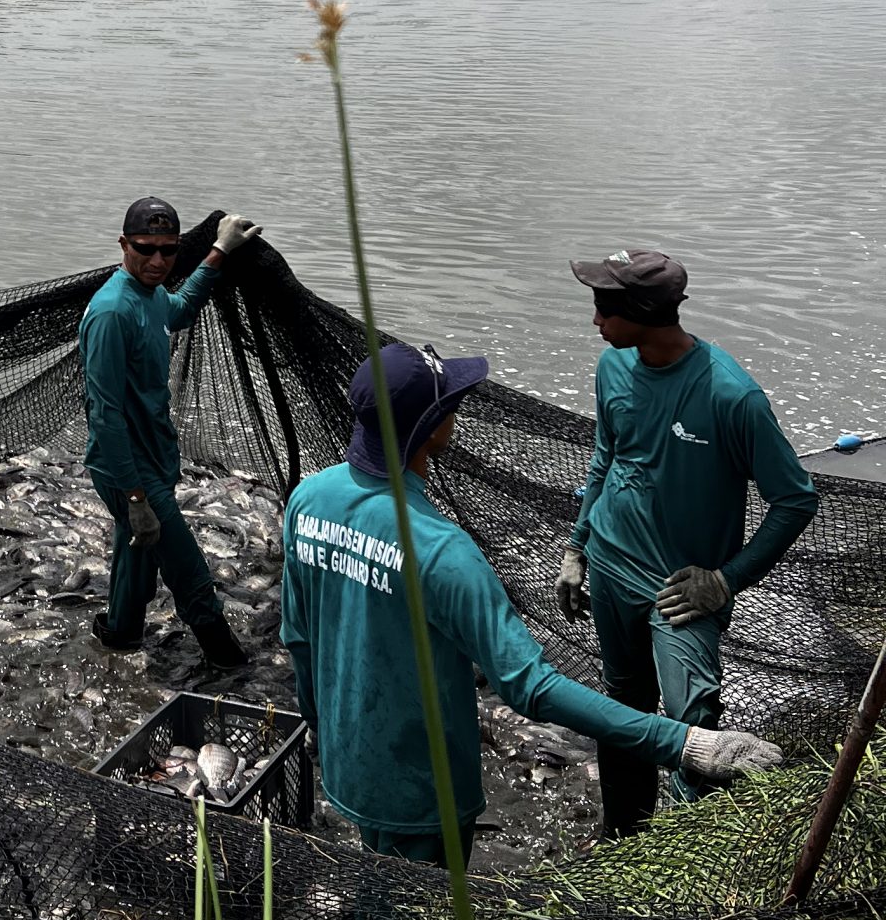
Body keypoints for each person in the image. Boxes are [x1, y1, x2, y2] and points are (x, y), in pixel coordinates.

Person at [280, 339, 783, 863]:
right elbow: (531, 686)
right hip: (423, 786)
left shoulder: (309, 499)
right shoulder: (442, 552)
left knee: (373, 875)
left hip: (347, 761)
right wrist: (687, 743)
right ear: (433, 430)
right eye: (451, 406)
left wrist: (321, 724)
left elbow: (298, 636)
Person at [557, 247, 817, 839]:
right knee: (621, 708)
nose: (595, 321)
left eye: (604, 309)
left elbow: (796, 499)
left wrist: (724, 580)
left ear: (644, 313)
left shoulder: (732, 396)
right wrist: (576, 549)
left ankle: (689, 854)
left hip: (682, 594)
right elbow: (606, 459)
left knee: (693, 721)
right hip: (610, 565)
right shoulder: (614, 368)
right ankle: (622, 834)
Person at [80, 198, 260, 670]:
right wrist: (136, 498)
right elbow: (104, 415)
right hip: (128, 468)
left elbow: (176, 311)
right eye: (145, 249)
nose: (158, 261)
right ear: (124, 244)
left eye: (168, 251)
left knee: (137, 553)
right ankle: (228, 660)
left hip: (153, 457)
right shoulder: (111, 312)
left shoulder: (152, 294)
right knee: (187, 569)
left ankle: (120, 634)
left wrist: (218, 253)